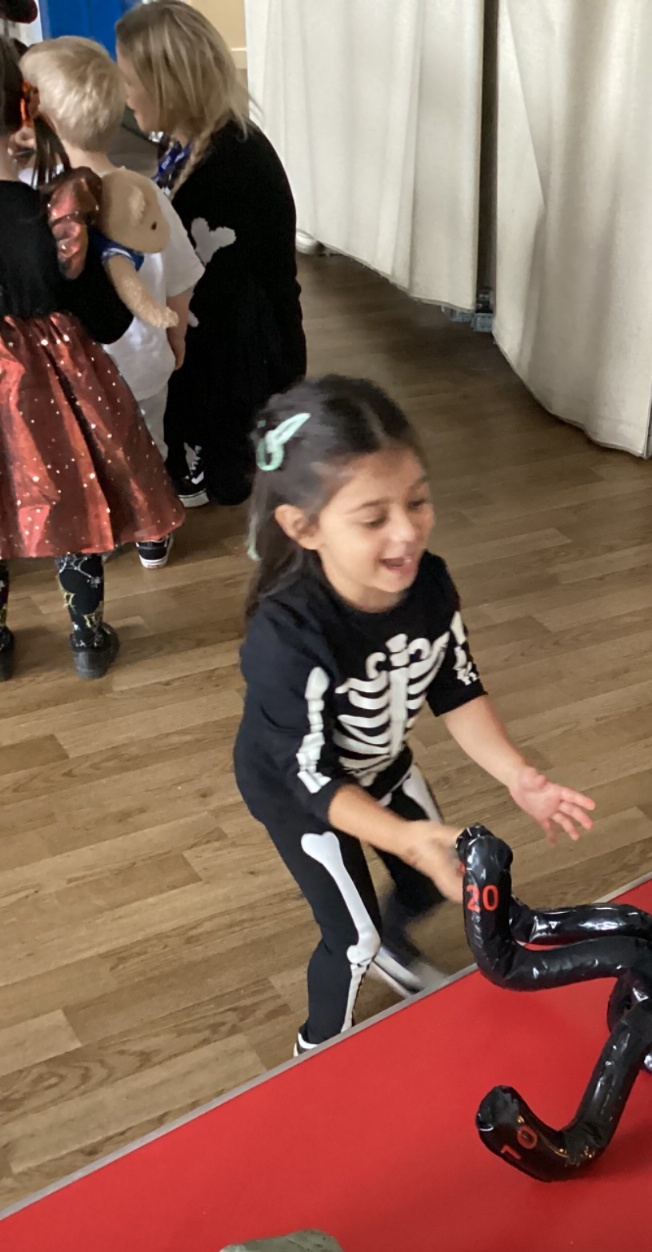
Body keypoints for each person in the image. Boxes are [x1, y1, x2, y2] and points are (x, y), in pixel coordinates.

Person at [234, 376, 596, 1053]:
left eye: (418, 501)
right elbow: (309, 777)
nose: (407, 532)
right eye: (373, 518)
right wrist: (403, 837)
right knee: (352, 941)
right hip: (300, 793)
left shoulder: (429, 581)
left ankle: (397, 945)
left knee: (436, 879)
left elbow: (457, 690)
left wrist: (518, 776)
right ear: (304, 527)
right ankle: (315, 1053)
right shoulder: (286, 637)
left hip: (383, 763)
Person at [0, 33, 182, 680]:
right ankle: (87, 636)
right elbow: (107, 321)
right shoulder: (55, 213)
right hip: (50, 390)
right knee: (71, 501)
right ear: (23, 115)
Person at [20, 34, 203, 568]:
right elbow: (181, 278)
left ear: (39, 122)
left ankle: (101, 530)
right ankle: (152, 532)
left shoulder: (34, 202)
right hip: (145, 363)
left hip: (74, 375)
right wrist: (176, 333)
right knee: (146, 444)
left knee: (85, 451)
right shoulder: (149, 195)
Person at [115, 0, 306, 510]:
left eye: (129, 80)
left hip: (242, 360)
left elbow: (206, 297)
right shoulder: (194, 144)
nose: (123, 94)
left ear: (167, 84)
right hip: (229, 339)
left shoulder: (228, 166)